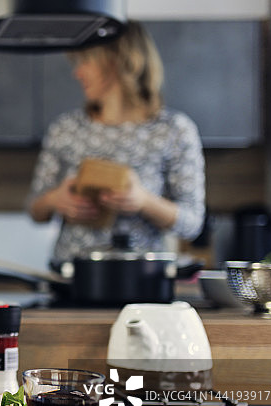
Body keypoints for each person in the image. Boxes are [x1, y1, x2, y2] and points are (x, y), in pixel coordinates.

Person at [26, 21, 205, 265]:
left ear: (117, 60)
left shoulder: (174, 130)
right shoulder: (66, 128)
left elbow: (192, 223)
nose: (77, 73)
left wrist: (143, 201)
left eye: (85, 61)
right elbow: (35, 210)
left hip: (142, 278)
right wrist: (55, 199)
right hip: (71, 274)